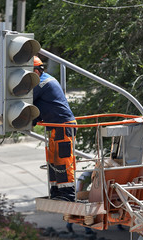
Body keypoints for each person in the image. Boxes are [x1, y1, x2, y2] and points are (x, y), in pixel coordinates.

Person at [32, 56, 76, 202]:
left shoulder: (42, 83)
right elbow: (40, 107)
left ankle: (68, 194)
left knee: (63, 160)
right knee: (53, 160)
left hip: (63, 126)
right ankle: (57, 191)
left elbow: (27, 100)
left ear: (36, 72)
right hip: (57, 126)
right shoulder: (43, 82)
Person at [66, 171, 96, 237]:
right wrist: (80, 195)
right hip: (79, 193)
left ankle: (69, 225)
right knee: (84, 213)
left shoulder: (87, 174)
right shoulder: (88, 175)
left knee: (76, 212)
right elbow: (81, 183)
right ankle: (88, 230)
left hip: (77, 193)